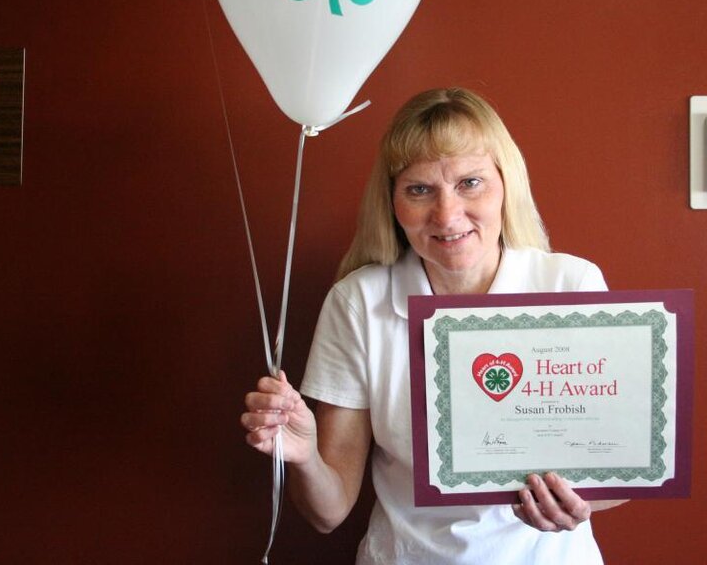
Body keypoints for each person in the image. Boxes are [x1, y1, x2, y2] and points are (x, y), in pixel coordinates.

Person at [241, 88, 626, 564]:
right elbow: (329, 511)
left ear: (507, 185)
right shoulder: (359, 301)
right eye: (420, 189)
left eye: (470, 183)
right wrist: (302, 456)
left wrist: (579, 503)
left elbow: (620, 471)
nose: (447, 215)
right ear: (393, 204)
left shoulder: (572, 283)